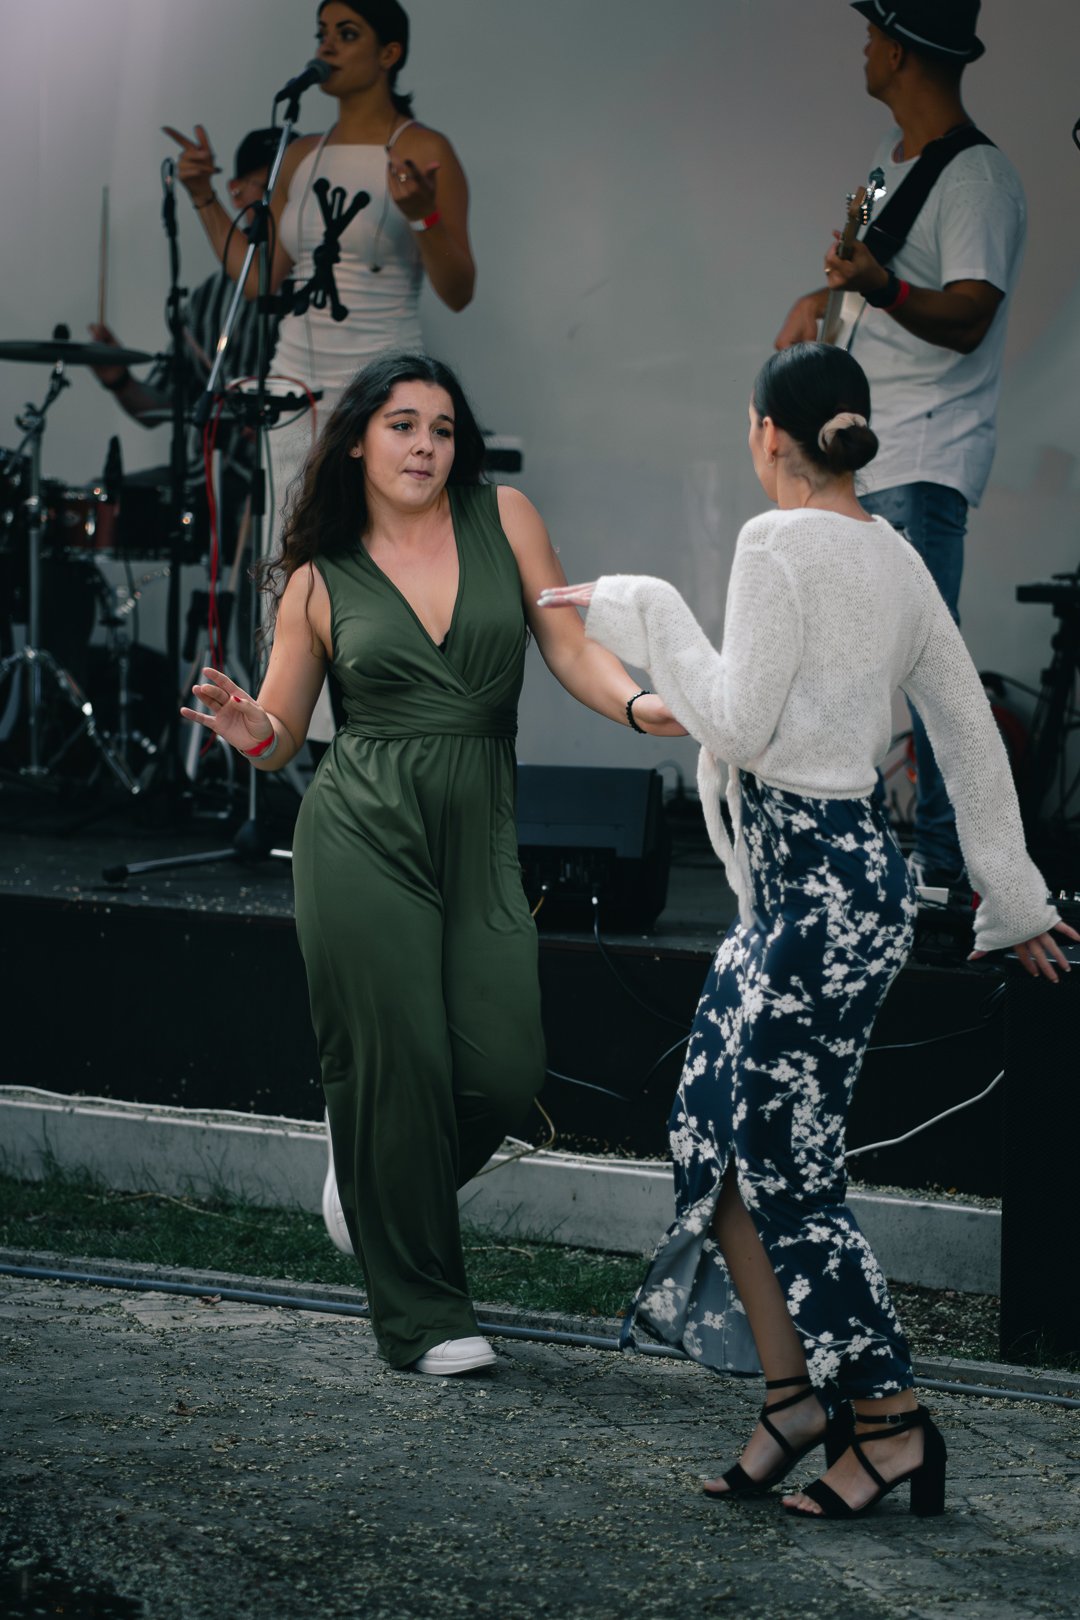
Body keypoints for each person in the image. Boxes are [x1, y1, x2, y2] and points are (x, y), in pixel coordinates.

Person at [539, 342, 1076, 1518]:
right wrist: (1011, 889)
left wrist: (646, 605)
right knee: (713, 1140)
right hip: (815, 897)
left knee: (784, 1166)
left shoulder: (774, 541)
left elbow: (734, 717)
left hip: (822, 898)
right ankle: (794, 1399)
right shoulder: (892, 553)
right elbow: (970, 734)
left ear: (765, 434)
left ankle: (888, 1424)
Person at [179, 351, 683, 1376]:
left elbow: (571, 648)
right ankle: (424, 1317)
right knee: (398, 1064)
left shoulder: (506, 520)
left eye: (442, 428)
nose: (424, 445)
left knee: (504, 1070)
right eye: (403, 424)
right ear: (359, 439)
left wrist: (637, 703)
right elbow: (283, 729)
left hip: (479, 830)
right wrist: (249, 729)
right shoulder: (321, 578)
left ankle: (367, 1177)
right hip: (359, 833)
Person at [165, 1, 475, 744]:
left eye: (348, 34)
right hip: (291, 388)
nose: (328, 47)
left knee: (377, 561)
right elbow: (265, 280)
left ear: (390, 53)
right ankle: (289, 734)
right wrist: (206, 197)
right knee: (294, 558)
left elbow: (459, 288)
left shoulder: (424, 147)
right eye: (322, 34)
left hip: (377, 394)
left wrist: (423, 214)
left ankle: (383, 734)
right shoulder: (299, 155)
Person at [775, 0, 1026, 892]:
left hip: (925, 452)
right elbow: (871, 283)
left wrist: (881, 290)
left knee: (928, 671)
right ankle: (870, 854)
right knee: (853, 663)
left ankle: (950, 869)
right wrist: (824, 299)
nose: (865, 48)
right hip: (871, 454)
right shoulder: (892, 165)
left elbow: (968, 311)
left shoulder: (977, 178)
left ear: (902, 51)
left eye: (874, 33)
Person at [89, 128, 291, 555]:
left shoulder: (328, 291)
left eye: (294, 186)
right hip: (216, 490)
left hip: (300, 490)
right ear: (235, 194)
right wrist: (120, 380)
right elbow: (159, 407)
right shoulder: (207, 302)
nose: (285, 200)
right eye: (271, 186)